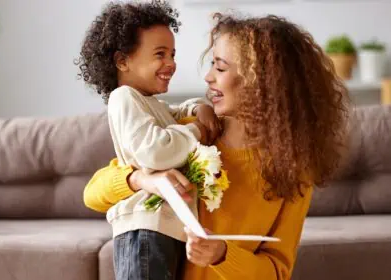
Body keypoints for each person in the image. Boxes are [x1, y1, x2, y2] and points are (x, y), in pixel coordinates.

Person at [84, 12, 349, 280]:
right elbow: (93, 193)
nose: (208, 77)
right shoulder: (192, 133)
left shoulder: (294, 172)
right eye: (212, 64)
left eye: (220, 68)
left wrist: (223, 255)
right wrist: (141, 179)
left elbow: (277, 271)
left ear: (261, 81)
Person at [76, 1, 221, 279]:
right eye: (159, 54)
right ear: (122, 61)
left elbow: (177, 112)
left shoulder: (150, 103)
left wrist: (198, 108)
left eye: (172, 54)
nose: (171, 63)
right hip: (144, 229)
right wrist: (197, 132)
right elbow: (155, 153)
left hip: (162, 227)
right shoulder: (124, 98)